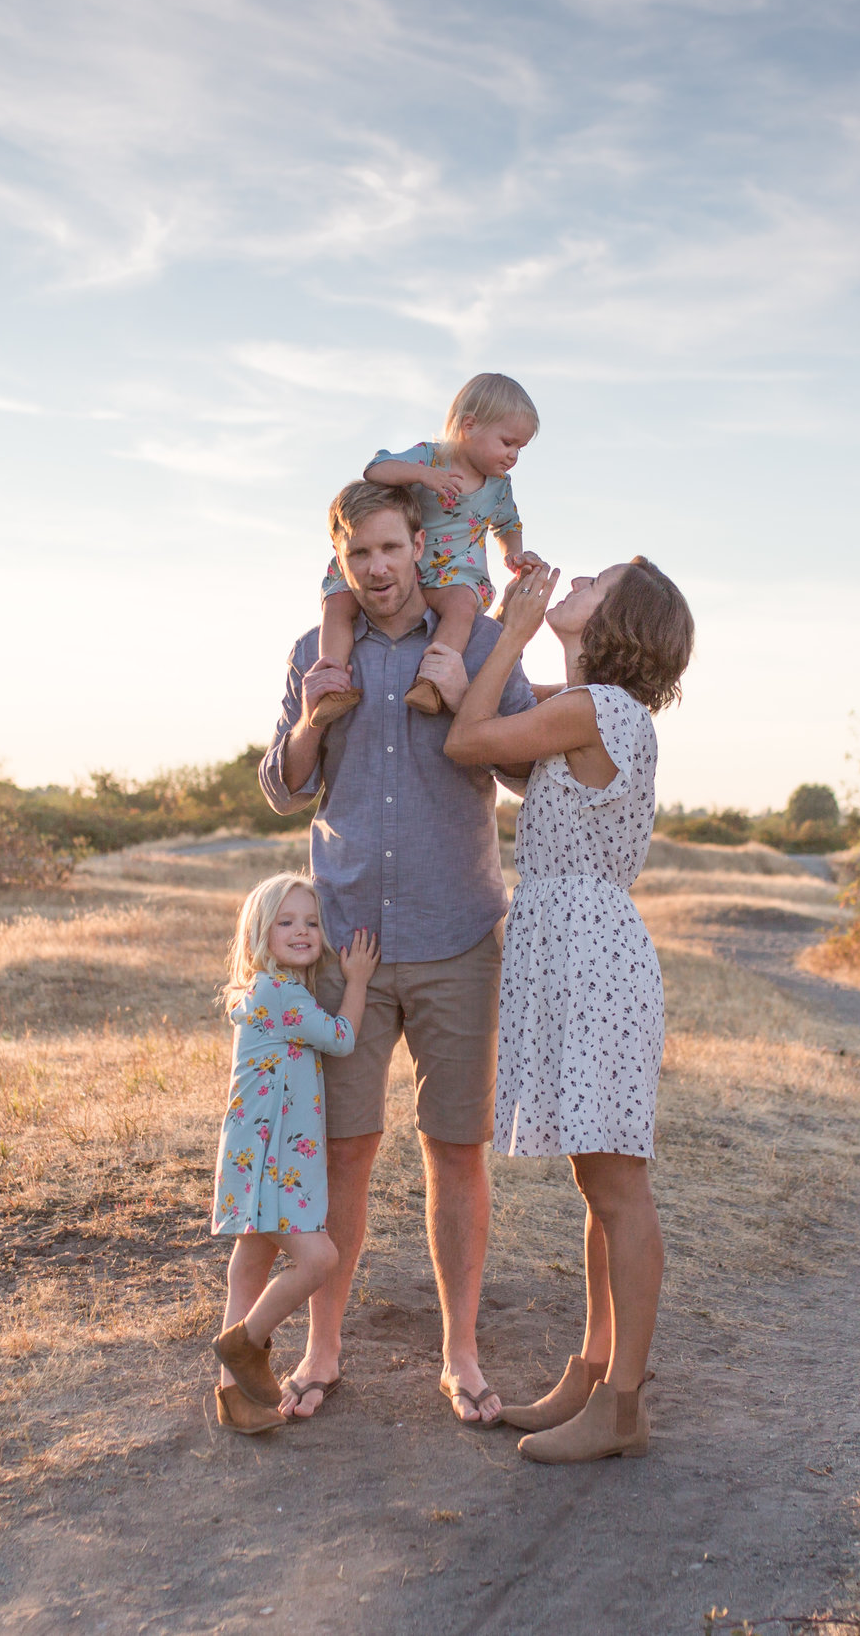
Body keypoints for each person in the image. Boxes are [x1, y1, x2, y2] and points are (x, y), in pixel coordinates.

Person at [259, 479, 537, 1426]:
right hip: (346, 944)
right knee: (343, 1153)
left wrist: (475, 699)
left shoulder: (479, 641)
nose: (376, 570)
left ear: (422, 545)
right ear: (339, 563)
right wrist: (312, 720)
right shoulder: (314, 652)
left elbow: (526, 765)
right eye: (357, 556)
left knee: (455, 1150)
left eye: (390, 548)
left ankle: (460, 1351)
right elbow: (282, 787)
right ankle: (322, 1346)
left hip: (458, 932)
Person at [423, 555, 696, 1463]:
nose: (576, 579)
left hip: (592, 958)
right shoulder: (586, 711)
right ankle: (591, 1373)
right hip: (577, 952)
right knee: (597, 1178)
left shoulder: (594, 709)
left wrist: (512, 630)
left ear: (619, 619)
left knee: (619, 1183)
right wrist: (511, 636)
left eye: (598, 580)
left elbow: (468, 741)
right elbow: (506, 741)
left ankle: (623, 1406)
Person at [207, 873, 379, 1435]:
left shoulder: (270, 991)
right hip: (270, 1162)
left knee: (251, 1264)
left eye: (310, 922)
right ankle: (248, 1343)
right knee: (319, 1258)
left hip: (259, 1156)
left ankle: (235, 1399)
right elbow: (342, 1037)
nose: (302, 931)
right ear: (259, 932)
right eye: (286, 922)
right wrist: (356, 980)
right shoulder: (279, 994)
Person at [309, 374, 546, 725]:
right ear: (469, 425)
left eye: (520, 449)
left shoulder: (499, 487)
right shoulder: (430, 457)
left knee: (462, 607)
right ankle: (333, 684)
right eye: (508, 442)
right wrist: (420, 475)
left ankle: (432, 682)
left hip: (452, 568)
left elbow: (508, 524)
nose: (513, 455)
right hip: (399, 563)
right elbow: (375, 469)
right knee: (338, 602)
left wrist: (513, 553)